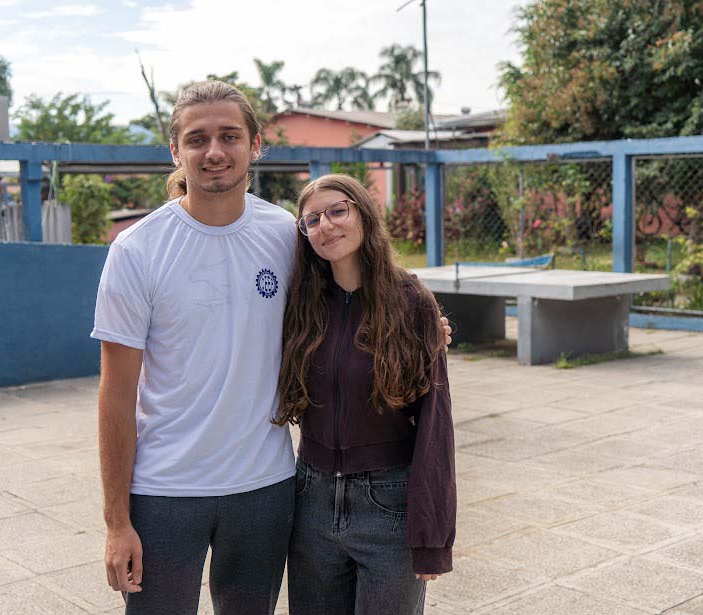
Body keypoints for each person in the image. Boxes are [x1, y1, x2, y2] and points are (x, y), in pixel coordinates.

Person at [92, 80, 297, 615]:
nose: (214, 152)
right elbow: (116, 394)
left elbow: (357, 288)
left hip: (265, 487)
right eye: (197, 138)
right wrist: (117, 521)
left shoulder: (286, 235)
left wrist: (423, 320)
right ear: (175, 150)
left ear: (255, 145)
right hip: (165, 491)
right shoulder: (137, 251)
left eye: (229, 136)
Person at [275, 174, 456, 615]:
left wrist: (432, 536)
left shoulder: (411, 300)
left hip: (389, 503)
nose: (326, 225)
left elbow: (436, 423)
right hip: (312, 500)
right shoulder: (300, 302)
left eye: (338, 211)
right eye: (312, 219)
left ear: (364, 214)